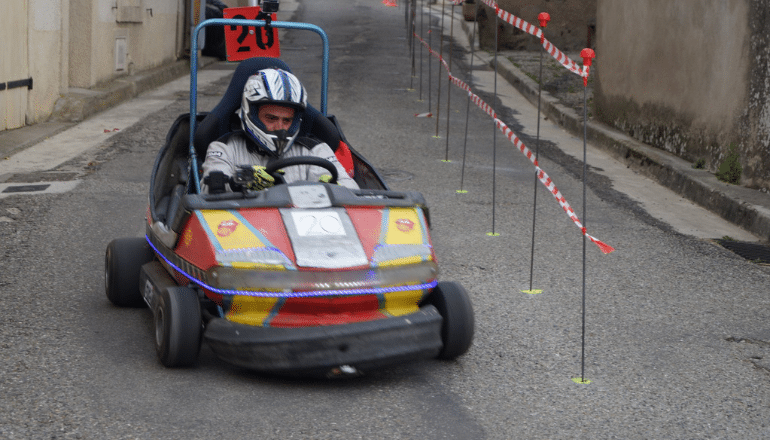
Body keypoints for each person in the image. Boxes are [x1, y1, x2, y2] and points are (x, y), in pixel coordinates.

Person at [201, 68, 358, 194]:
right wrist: (239, 182)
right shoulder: (224, 147)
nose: (280, 127)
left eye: (287, 120)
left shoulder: (315, 149)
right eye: (271, 118)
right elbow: (209, 189)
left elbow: (352, 190)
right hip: (246, 228)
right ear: (251, 114)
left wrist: (333, 188)